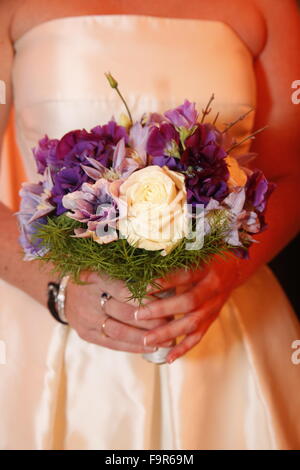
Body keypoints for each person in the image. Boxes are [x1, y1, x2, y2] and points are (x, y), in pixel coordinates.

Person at [0, 0, 299, 450]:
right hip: (45, 327)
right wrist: (60, 289)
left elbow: (288, 175)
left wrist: (227, 271)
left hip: (221, 323)